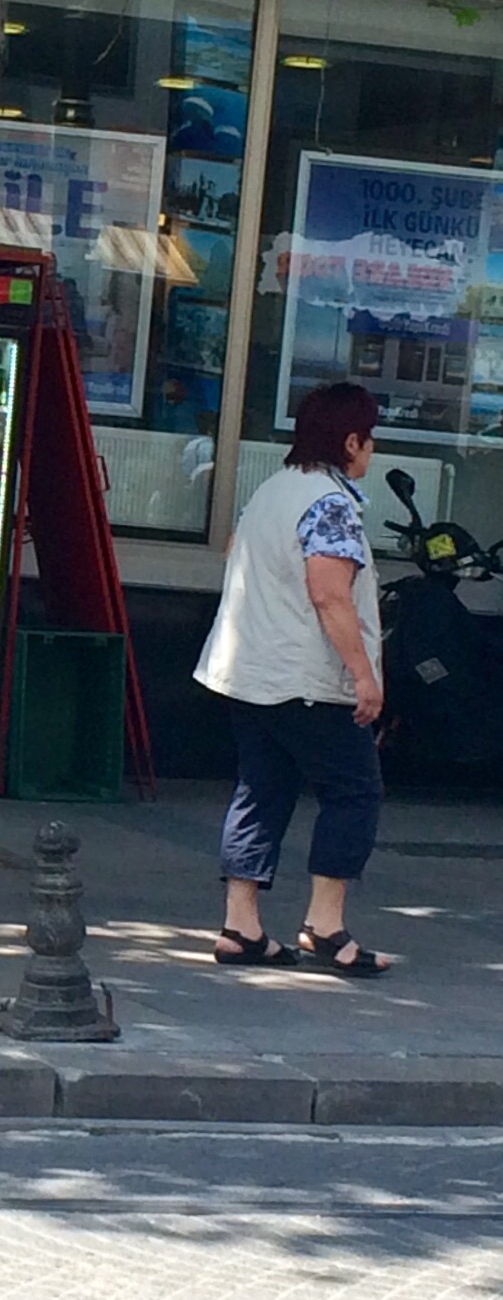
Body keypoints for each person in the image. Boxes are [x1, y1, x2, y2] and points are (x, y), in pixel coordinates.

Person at [195, 381, 392, 977]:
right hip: (307, 681)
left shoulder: (272, 490)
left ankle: (241, 927)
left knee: (261, 789)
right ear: (351, 442)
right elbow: (330, 595)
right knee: (354, 792)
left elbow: (237, 552)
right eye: (369, 437)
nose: (372, 448)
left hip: (248, 673)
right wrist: (364, 676)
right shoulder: (330, 503)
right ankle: (326, 924)